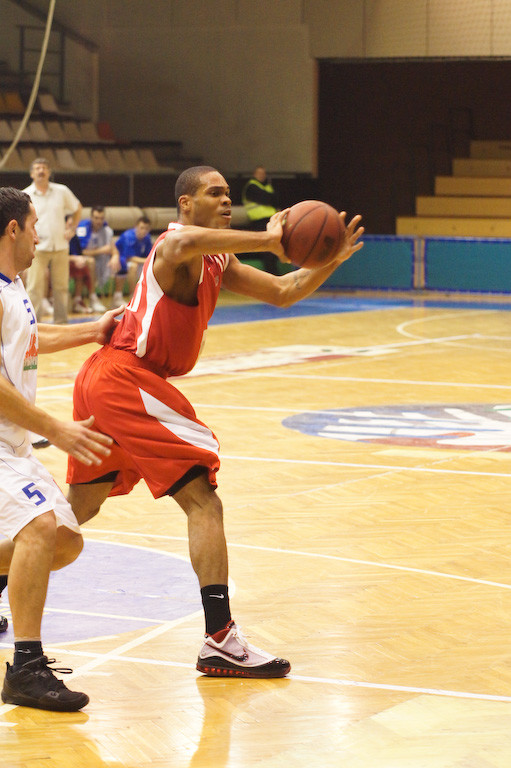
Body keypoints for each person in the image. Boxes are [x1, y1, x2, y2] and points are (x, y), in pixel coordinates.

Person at [66, 165, 364, 678]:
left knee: (78, 508)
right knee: (202, 496)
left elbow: (285, 290)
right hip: (122, 377)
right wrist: (270, 237)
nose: (226, 200)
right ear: (186, 204)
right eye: (214, 193)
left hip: (109, 381)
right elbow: (188, 246)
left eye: (229, 193)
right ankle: (220, 639)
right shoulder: (176, 242)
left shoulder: (217, 259)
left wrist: (327, 260)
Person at [0, 186, 120, 711]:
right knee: (39, 526)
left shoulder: (14, 286)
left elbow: (28, 336)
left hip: (14, 444)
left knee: (64, 540)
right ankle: (25, 667)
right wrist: (60, 428)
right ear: (12, 230)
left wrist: (91, 330)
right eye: (33, 226)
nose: (39, 236)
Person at [23, 157, 82, 324]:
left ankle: (62, 323)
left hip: (61, 246)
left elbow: (77, 207)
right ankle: (33, 324)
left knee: (62, 287)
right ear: (31, 173)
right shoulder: (25, 194)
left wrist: (72, 229)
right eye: (37, 168)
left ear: (49, 172)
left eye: (44, 168)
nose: (41, 171)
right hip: (36, 248)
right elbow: (21, 220)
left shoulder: (62, 191)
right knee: (34, 288)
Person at [76, 206, 120, 312]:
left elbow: (112, 248)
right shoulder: (82, 228)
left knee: (118, 262)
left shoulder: (106, 230)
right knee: (91, 262)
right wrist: (100, 250)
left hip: (101, 260)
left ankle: (117, 297)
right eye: (96, 218)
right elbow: (81, 251)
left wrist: (115, 256)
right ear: (91, 217)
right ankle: (92, 297)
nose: (99, 221)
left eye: (101, 218)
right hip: (79, 258)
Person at [241, 165, 280, 275]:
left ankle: (274, 274)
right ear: (254, 174)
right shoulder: (251, 186)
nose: (261, 175)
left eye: (263, 173)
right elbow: (268, 199)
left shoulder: (267, 186)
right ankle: (272, 275)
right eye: (259, 173)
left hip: (271, 220)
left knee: (273, 248)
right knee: (266, 248)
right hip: (259, 221)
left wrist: (271, 198)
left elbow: (275, 199)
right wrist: (271, 198)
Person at [112, 215, 152, 305]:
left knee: (151, 267)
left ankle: (146, 297)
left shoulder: (147, 238)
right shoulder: (128, 236)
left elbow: (148, 255)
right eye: (142, 228)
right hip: (121, 261)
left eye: (146, 228)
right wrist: (146, 261)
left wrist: (147, 261)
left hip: (137, 262)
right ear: (136, 227)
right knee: (133, 266)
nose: (144, 231)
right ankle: (133, 297)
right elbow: (129, 257)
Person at [68, 216, 93, 314]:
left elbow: (80, 253)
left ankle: (79, 299)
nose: (72, 227)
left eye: (73, 225)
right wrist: (74, 258)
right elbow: (59, 257)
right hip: (60, 265)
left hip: (73, 264)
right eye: (70, 224)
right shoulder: (60, 237)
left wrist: (80, 259)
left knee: (83, 266)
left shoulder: (75, 237)